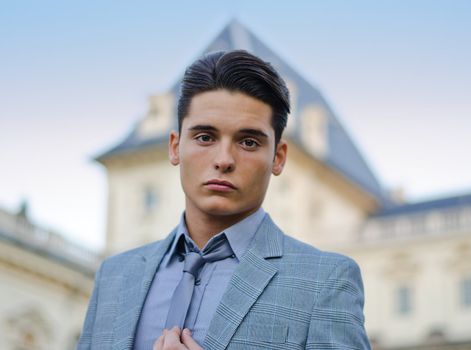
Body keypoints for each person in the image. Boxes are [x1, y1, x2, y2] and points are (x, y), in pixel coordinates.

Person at [77, 50, 371, 350]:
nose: (224, 160)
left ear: (278, 158)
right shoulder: (113, 276)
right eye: (205, 137)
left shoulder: (326, 280)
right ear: (175, 147)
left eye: (248, 142)